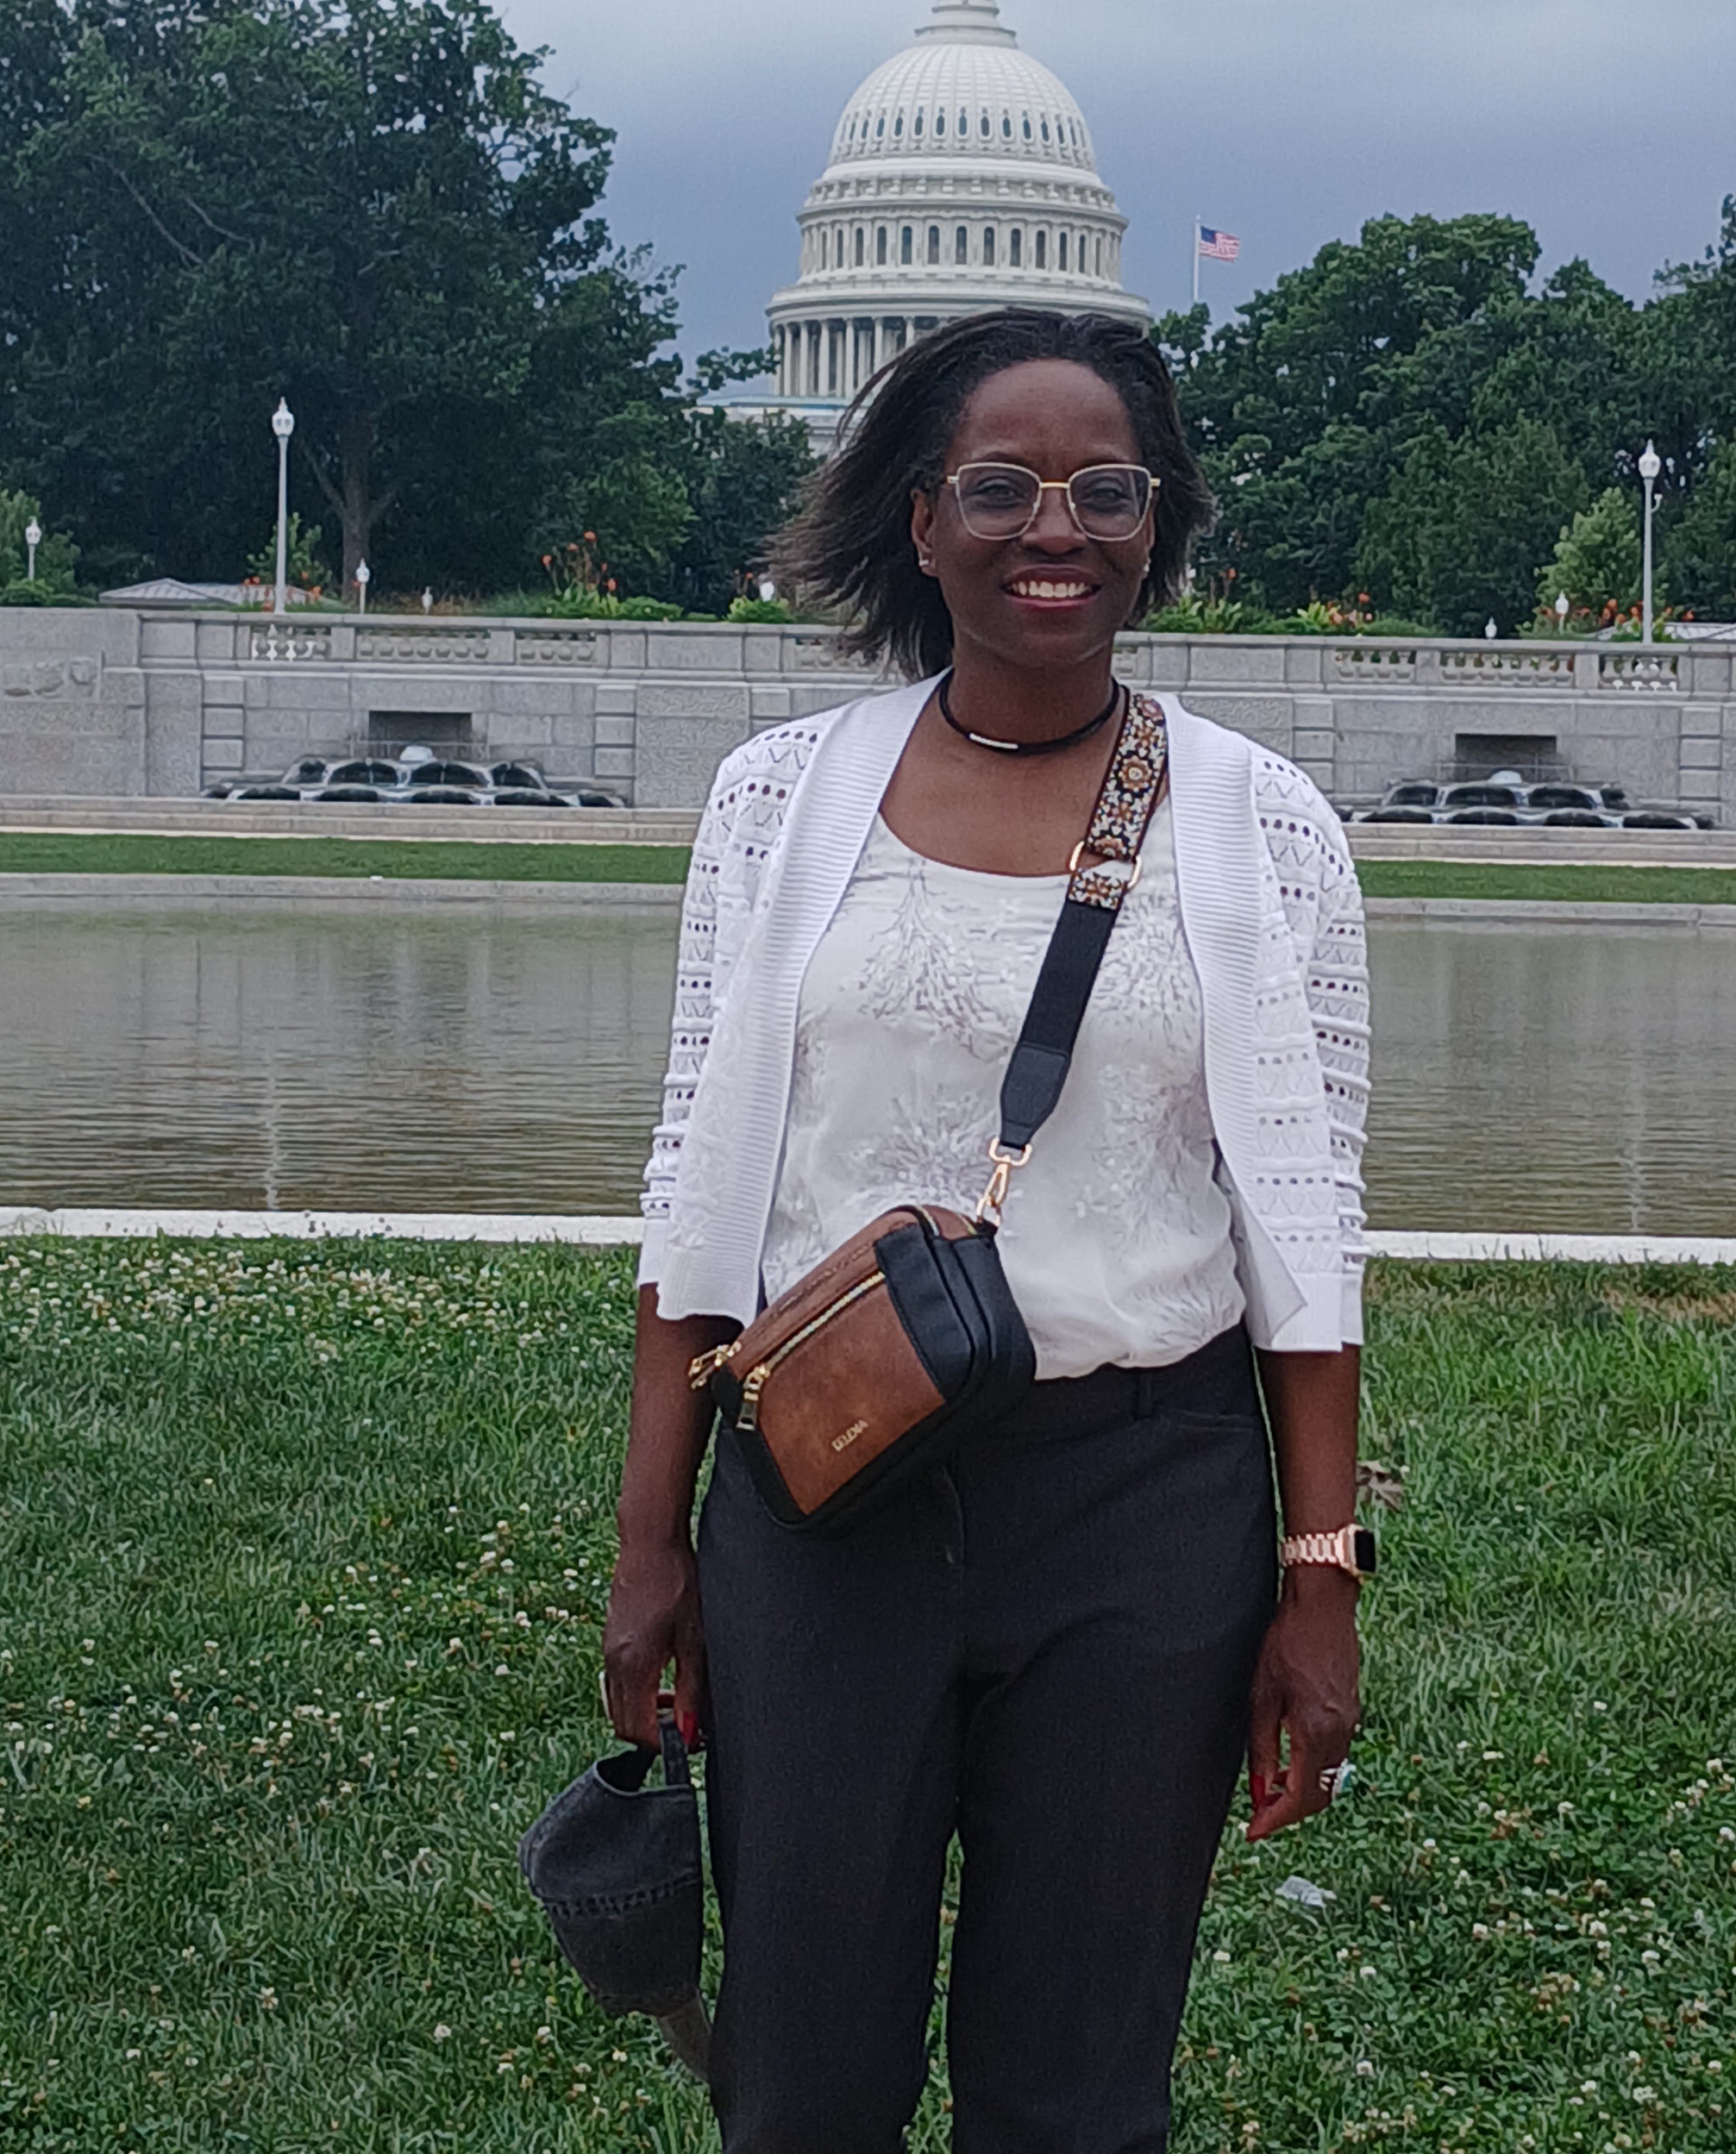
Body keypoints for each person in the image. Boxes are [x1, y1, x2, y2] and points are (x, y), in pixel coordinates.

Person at [601, 306, 1370, 2153]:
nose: (1057, 531)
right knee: (804, 2074)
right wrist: (649, 1541)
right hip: (823, 1494)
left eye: (1108, 491)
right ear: (922, 518)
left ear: (1157, 524)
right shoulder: (780, 801)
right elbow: (699, 1187)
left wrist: (1318, 1577)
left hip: (1141, 1498)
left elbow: (1308, 1233)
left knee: (1076, 2089)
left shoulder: (1262, 827)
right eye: (1004, 486)